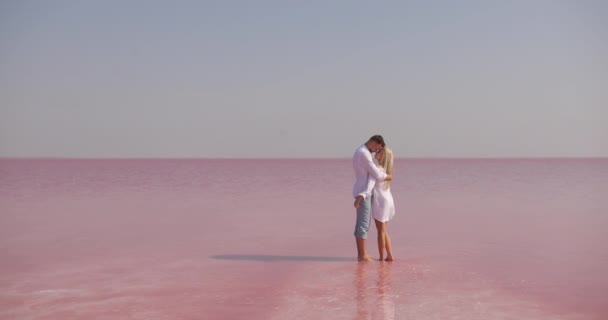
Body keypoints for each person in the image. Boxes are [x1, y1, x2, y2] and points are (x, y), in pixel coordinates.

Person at [352, 135, 392, 262]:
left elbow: (372, 176)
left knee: (365, 225)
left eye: (378, 151)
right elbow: (376, 175)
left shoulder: (361, 151)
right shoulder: (364, 153)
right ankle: (362, 255)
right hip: (363, 192)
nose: (375, 152)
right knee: (363, 224)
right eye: (377, 149)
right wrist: (388, 176)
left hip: (364, 192)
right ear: (374, 142)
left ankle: (364, 254)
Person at [369, 147, 396, 261]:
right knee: (384, 230)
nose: (376, 151)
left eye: (379, 151)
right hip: (388, 200)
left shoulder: (378, 169)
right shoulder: (387, 170)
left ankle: (381, 257)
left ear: (384, 156)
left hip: (380, 202)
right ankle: (389, 255)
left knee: (380, 231)